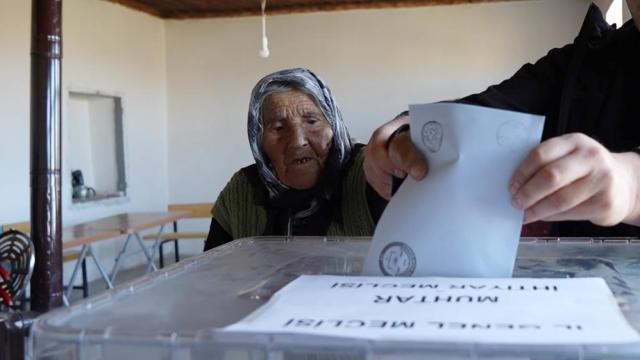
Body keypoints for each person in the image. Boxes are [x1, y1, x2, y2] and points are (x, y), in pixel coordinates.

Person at [364, 2, 640, 237]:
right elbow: (486, 111)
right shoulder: (587, 61)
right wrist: (407, 129)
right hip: (581, 288)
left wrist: (632, 186)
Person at [204, 68, 381, 250]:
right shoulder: (243, 190)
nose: (298, 142)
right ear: (258, 141)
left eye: (312, 121)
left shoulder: (370, 170)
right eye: (279, 128)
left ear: (334, 125)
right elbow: (211, 273)